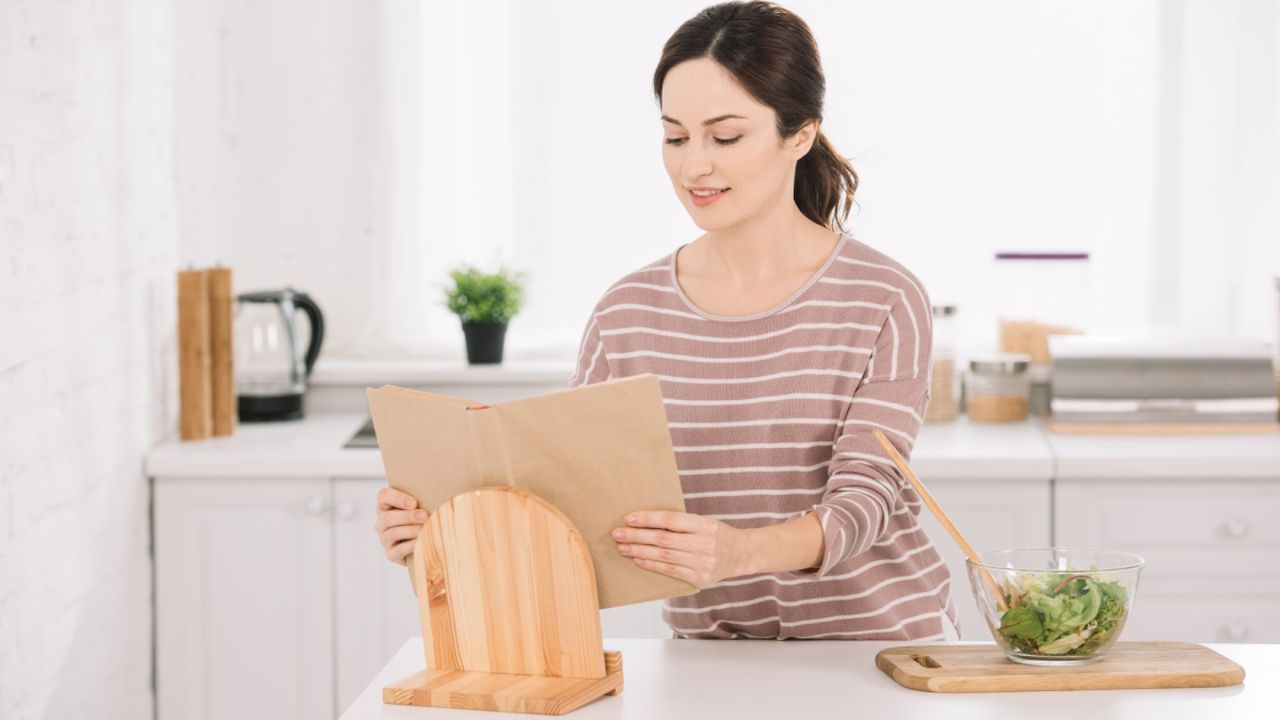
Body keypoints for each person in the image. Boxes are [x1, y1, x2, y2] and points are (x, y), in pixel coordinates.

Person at [376, 0, 958, 642]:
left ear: (800, 134)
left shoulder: (883, 297)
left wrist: (740, 553)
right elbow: (572, 506)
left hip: (884, 651)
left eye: (726, 136)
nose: (693, 166)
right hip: (712, 659)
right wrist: (447, 532)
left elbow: (867, 499)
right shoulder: (629, 314)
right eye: (675, 136)